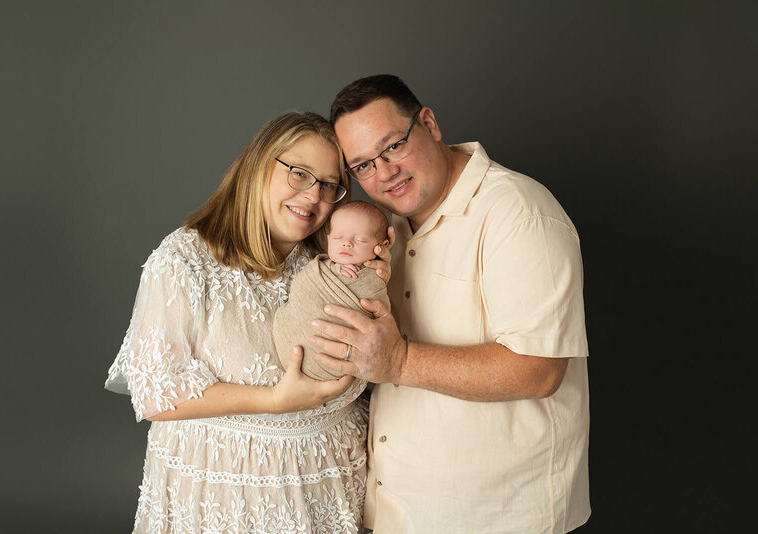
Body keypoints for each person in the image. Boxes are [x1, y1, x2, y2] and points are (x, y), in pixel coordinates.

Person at [310, 75, 590, 533]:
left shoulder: (518, 213)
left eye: (393, 147)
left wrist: (399, 361)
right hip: (399, 511)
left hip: (497, 517)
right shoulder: (383, 232)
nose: (383, 174)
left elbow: (539, 369)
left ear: (429, 123)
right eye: (361, 166)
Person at [104, 111, 390, 533]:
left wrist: (375, 287)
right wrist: (275, 401)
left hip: (333, 490)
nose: (313, 196)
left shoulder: (329, 261)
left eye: (330, 185)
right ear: (258, 166)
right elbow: (153, 395)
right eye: (299, 173)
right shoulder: (185, 261)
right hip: (233, 500)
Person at [274, 200, 391, 380]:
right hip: (289, 341)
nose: (346, 244)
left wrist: (372, 279)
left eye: (359, 239)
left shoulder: (374, 279)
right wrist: (336, 270)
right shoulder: (319, 269)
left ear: (380, 246)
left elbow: (379, 318)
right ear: (329, 239)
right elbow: (302, 288)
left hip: (335, 366)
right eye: (338, 238)